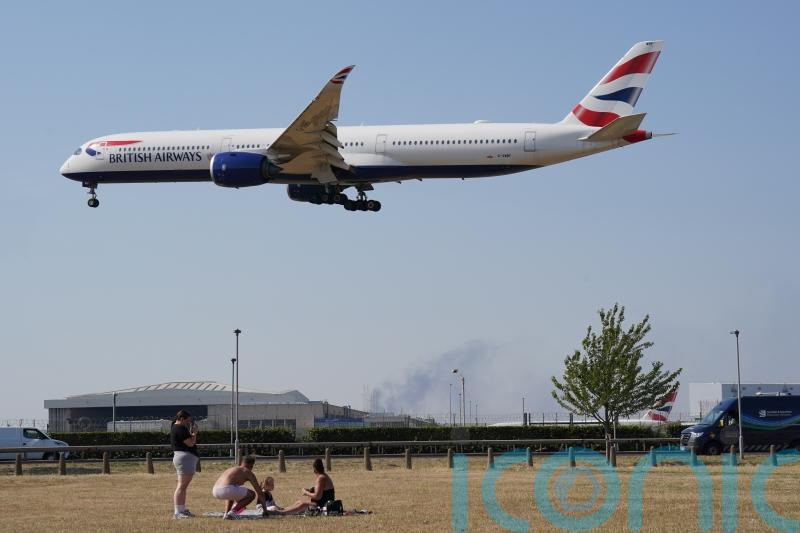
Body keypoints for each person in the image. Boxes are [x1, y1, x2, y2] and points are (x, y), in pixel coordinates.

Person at [212, 455, 268, 519]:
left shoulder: (232, 469)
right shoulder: (247, 471)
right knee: (252, 494)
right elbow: (259, 493)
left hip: (215, 490)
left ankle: (226, 514)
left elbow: (229, 492)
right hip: (227, 489)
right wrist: (265, 511)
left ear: (242, 463)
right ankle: (233, 512)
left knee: (235, 499)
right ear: (251, 466)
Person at [170, 409, 198, 520]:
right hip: (184, 457)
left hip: (184, 457)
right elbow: (190, 443)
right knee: (181, 486)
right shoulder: (180, 428)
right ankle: (178, 512)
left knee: (183, 486)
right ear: (182, 418)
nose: (188, 423)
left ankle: (181, 509)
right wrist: (194, 434)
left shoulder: (176, 427)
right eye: (187, 420)